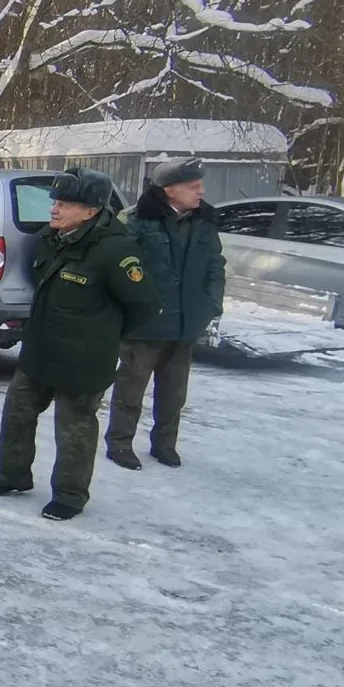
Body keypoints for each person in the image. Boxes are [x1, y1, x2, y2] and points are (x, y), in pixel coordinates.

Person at [0, 168, 158, 521]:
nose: (54, 208)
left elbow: (146, 305)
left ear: (90, 210)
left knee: (75, 429)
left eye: (64, 204)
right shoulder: (52, 237)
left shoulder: (114, 250)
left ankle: (70, 496)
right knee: (18, 413)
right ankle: (11, 475)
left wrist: (105, 333)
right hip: (41, 348)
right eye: (55, 201)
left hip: (83, 357)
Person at [106, 158, 225, 470]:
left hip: (186, 323)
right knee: (130, 390)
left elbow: (215, 266)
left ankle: (165, 445)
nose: (201, 191)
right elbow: (116, 267)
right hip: (145, 325)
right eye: (194, 186)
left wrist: (211, 305)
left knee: (174, 394)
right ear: (170, 190)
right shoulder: (136, 220)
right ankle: (119, 444)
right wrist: (130, 308)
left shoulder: (204, 221)